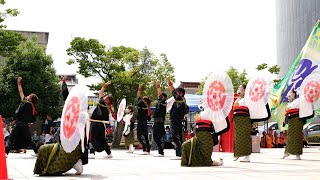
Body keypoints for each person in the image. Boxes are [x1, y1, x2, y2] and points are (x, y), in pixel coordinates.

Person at [6, 77, 39, 156]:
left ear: (30, 98)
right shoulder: (32, 107)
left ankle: (5, 152)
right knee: (29, 140)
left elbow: (20, 91)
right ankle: (37, 152)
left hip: (18, 124)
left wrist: (18, 82)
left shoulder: (25, 101)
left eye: (29, 95)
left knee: (11, 137)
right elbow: (32, 119)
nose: (27, 95)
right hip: (25, 125)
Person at [282, 90, 312, 160]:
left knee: (298, 137)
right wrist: (284, 121)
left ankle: (298, 154)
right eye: (288, 96)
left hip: (298, 120)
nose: (288, 97)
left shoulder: (299, 101)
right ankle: (287, 152)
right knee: (290, 136)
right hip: (291, 121)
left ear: (294, 95)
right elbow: (287, 114)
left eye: (290, 95)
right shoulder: (289, 104)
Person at [89, 81, 114, 159]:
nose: (105, 98)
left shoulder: (105, 105)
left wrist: (105, 85)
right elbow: (101, 92)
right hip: (99, 124)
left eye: (106, 98)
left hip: (97, 124)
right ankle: (108, 153)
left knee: (94, 138)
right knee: (99, 139)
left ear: (108, 100)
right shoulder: (107, 106)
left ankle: (93, 153)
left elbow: (101, 92)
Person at [166, 76, 188, 159]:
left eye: (177, 92)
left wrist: (169, 81)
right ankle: (182, 153)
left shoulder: (179, 99)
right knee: (180, 137)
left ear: (180, 94)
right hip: (179, 121)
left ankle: (179, 153)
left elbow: (172, 90)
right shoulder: (183, 102)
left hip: (176, 121)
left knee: (175, 136)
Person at [233, 84, 251, 162]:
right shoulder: (238, 98)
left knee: (244, 136)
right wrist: (239, 97)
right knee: (237, 137)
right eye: (238, 88)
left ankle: (247, 156)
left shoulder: (247, 98)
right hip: (237, 120)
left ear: (244, 90)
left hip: (244, 119)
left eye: (241, 88)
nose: (239, 89)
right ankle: (238, 154)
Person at [152, 80, 167, 157]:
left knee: (158, 136)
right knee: (156, 136)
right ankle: (160, 151)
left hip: (159, 122)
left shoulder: (163, 102)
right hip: (157, 122)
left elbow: (159, 93)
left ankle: (161, 152)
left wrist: (158, 85)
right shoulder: (160, 103)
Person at [136, 84, 151, 155]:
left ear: (145, 101)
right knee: (145, 136)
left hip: (141, 122)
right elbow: (149, 117)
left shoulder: (142, 105)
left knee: (139, 136)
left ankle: (144, 148)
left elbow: (138, 96)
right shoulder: (148, 108)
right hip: (145, 123)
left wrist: (139, 88)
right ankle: (147, 150)